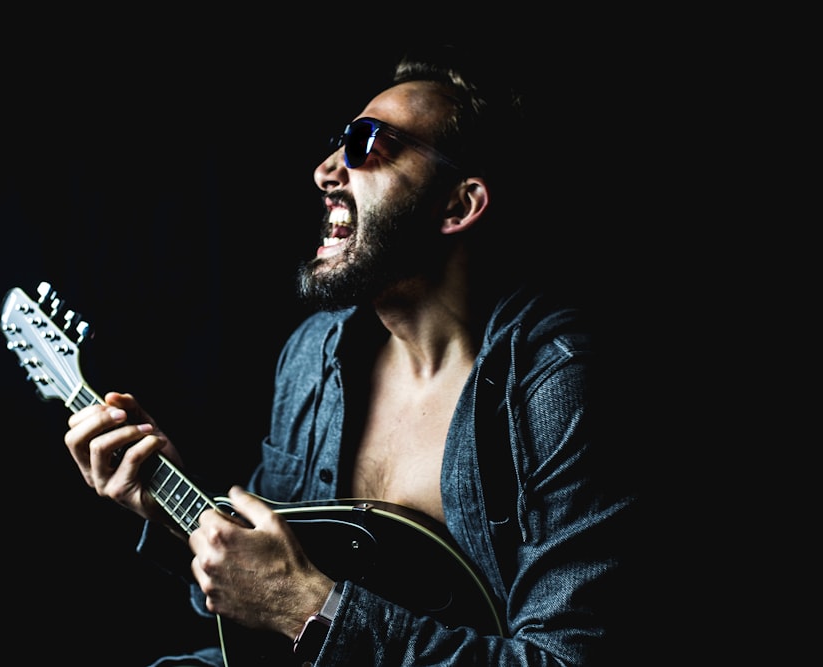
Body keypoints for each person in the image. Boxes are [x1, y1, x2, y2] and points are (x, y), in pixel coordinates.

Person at [62, 44, 640, 666]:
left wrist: (310, 610)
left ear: (459, 205)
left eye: (368, 144)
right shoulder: (313, 356)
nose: (325, 171)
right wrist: (169, 513)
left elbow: (568, 659)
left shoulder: (559, 389)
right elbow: (256, 597)